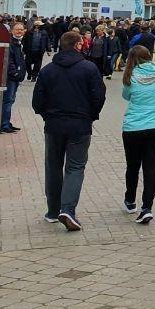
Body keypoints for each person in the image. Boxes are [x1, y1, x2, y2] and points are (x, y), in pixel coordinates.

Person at [32, 30, 107, 231]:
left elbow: (37, 102)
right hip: (80, 126)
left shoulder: (47, 71)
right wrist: (90, 115)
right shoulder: (89, 69)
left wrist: (47, 115)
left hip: (54, 125)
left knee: (53, 166)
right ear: (78, 45)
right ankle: (68, 209)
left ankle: (53, 210)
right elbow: (99, 96)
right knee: (75, 167)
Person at [119, 45, 155, 224]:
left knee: (132, 166)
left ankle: (130, 201)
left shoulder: (130, 76)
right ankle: (147, 207)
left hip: (133, 127)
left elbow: (127, 96)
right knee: (150, 167)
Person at [1, 20, 27, 134]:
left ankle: (6, 122)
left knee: (11, 100)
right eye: (17, 29)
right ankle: (4, 125)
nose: (19, 31)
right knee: (8, 100)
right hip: (10, 78)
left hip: (15, 77)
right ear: (12, 31)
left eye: (21, 29)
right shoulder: (11, 42)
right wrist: (15, 73)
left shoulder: (18, 42)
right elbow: (9, 60)